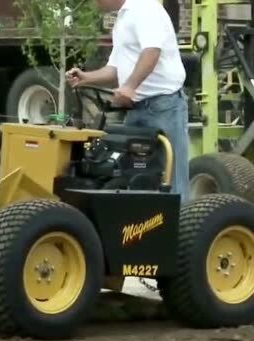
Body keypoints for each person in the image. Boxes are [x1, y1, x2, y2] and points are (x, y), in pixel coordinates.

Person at [66, 0, 190, 203]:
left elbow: (152, 51)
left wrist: (130, 86)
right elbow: (115, 69)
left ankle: (180, 227)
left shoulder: (145, 8)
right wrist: (86, 78)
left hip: (163, 107)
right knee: (134, 175)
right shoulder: (122, 19)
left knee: (172, 179)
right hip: (136, 109)